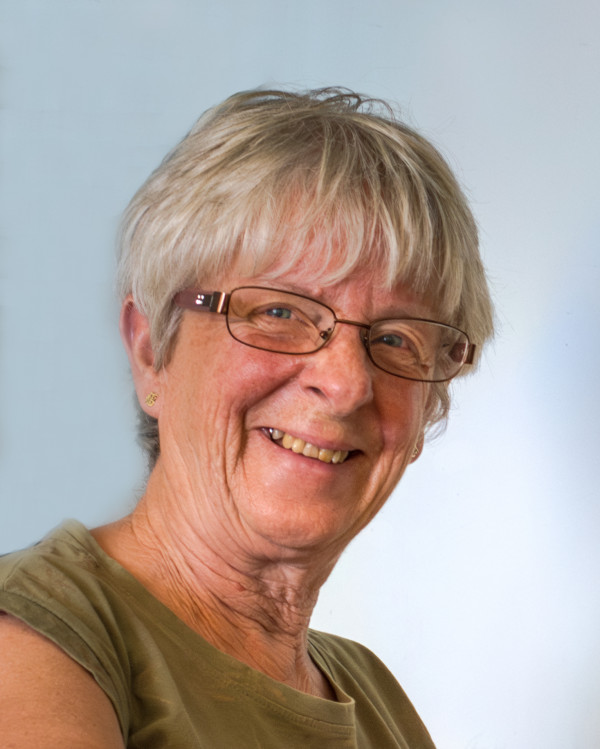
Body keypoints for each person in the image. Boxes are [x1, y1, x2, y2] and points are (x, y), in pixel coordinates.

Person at [0, 87, 493, 748]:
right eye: (279, 312)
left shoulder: (377, 699)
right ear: (152, 350)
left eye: (397, 338)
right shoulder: (36, 641)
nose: (346, 384)